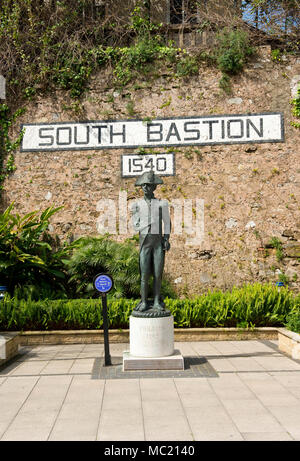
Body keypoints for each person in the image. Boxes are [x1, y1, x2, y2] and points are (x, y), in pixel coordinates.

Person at [131, 170, 171, 312]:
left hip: (157, 243)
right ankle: (143, 302)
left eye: (149, 185)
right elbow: (134, 225)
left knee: (158, 274)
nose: (146, 188)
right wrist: (145, 223)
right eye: (144, 185)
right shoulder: (136, 205)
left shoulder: (161, 204)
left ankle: (156, 301)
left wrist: (166, 238)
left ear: (154, 187)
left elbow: (167, 223)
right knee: (144, 274)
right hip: (144, 243)